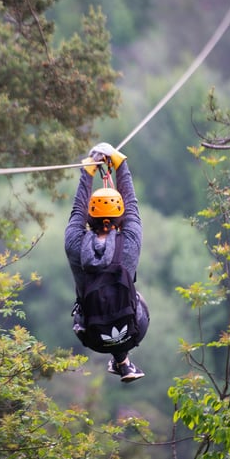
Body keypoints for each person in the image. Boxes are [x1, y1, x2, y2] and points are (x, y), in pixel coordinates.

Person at [64, 142, 149, 382]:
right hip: (133, 332)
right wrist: (120, 163)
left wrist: (88, 169)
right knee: (135, 298)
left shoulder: (74, 245)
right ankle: (122, 361)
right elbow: (131, 204)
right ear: (119, 217)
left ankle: (122, 362)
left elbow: (77, 210)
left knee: (99, 303)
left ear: (90, 216)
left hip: (91, 336)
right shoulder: (130, 242)